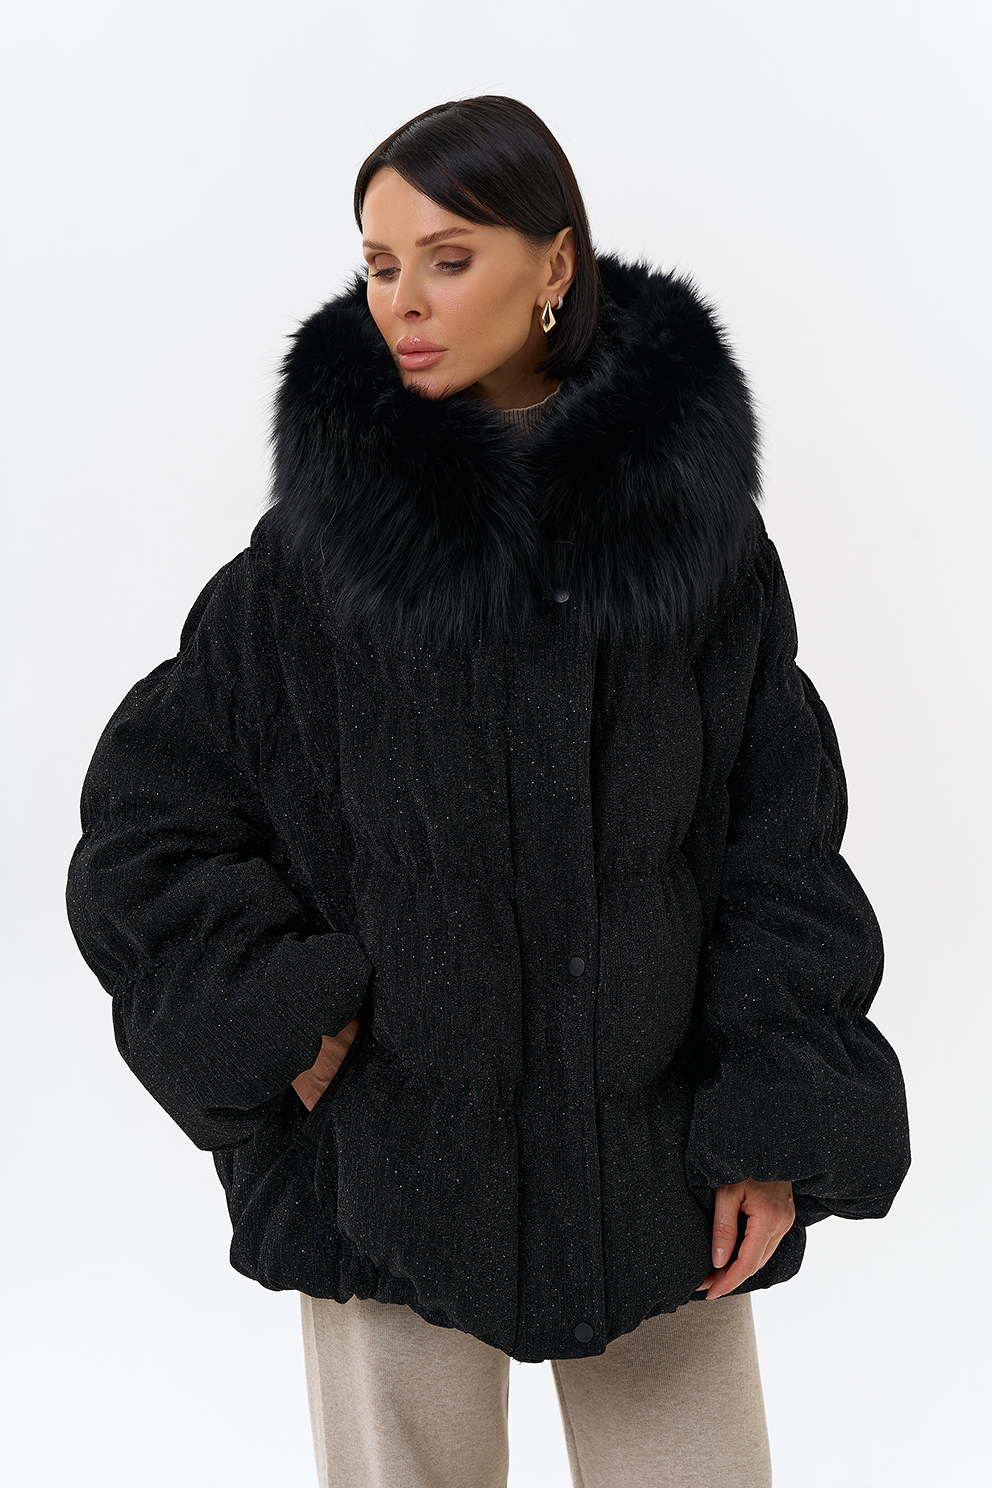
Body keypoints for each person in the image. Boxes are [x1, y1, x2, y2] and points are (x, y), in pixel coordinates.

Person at [65, 95, 911, 1488]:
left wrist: (772, 1117)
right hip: (388, 1164)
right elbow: (150, 822)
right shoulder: (318, 559)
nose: (403, 300)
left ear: (554, 264)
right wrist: (284, 1010)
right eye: (379, 263)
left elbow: (781, 847)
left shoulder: (699, 549)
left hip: (659, 1166)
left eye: (447, 259)